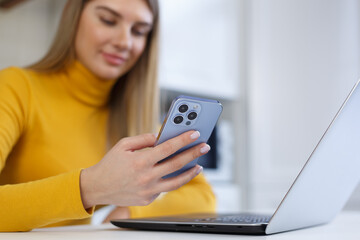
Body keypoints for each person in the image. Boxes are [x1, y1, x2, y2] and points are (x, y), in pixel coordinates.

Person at [0, 0, 216, 232]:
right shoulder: (15, 88)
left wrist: (131, 211)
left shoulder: (135, 115)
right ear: (72, 18)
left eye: (139, 31)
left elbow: (203, 196)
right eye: (108, 20)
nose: (124, 42)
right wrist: (91, 188)